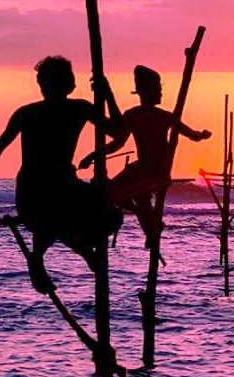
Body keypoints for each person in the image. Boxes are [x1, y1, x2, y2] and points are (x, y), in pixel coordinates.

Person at [0, 56, 119, 294]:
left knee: (103, 211)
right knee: (57, 214)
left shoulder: (70, 109)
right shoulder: (54, 111)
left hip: (60, 187)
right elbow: (119, 131)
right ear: (69, 84)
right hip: (37, 192)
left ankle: (61, 252)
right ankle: (53, 255)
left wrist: (107, 94)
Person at [80, 65, 211, 246]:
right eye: (158, 89)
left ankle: (151, 225)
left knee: (123, 196)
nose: (161, 94)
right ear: (147, 91)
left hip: (156, 172)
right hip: (144, 169)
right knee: (122, 196)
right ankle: (151, 225)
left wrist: (201, 135)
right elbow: (117, 143)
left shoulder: (158, 116)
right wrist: (94, 156)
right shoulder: (140, 115)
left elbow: (192, 135)